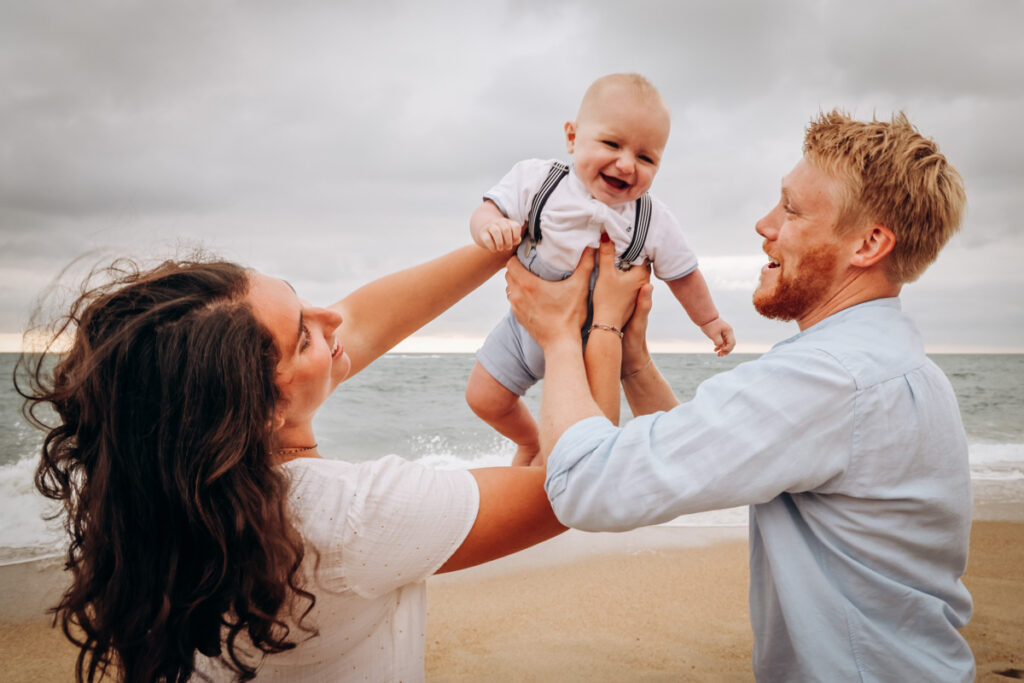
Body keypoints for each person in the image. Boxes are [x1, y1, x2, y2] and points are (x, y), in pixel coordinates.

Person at [506, 110, 974, 681]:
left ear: (868, 244)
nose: (764, 224)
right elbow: (723, 458)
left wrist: (557, 336)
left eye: (792, 209)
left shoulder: (827, 378)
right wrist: (633, 362)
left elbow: (585, 485)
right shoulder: (900, 365)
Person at [18, 244, 566, 682]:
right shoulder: (348, 520)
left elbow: (353, 322)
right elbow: (576, 483)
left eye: (302, 300)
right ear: (259, 410)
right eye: (304, 336)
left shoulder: (160, 501)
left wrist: (511, 242)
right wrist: (574, 334)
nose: (332, 317)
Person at [466, 73, 734, 466]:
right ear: (573, 137)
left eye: (646, 158)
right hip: (524, 326)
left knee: (585, 442)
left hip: (596, 344)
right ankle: (529, 440)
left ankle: (552, 464)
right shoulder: (539, 181)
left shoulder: (653, 218)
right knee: (483, 399)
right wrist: (490, 227)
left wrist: (709, 320)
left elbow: (684, 273)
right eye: (611, 144)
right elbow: (488, 210)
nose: (626, 164)